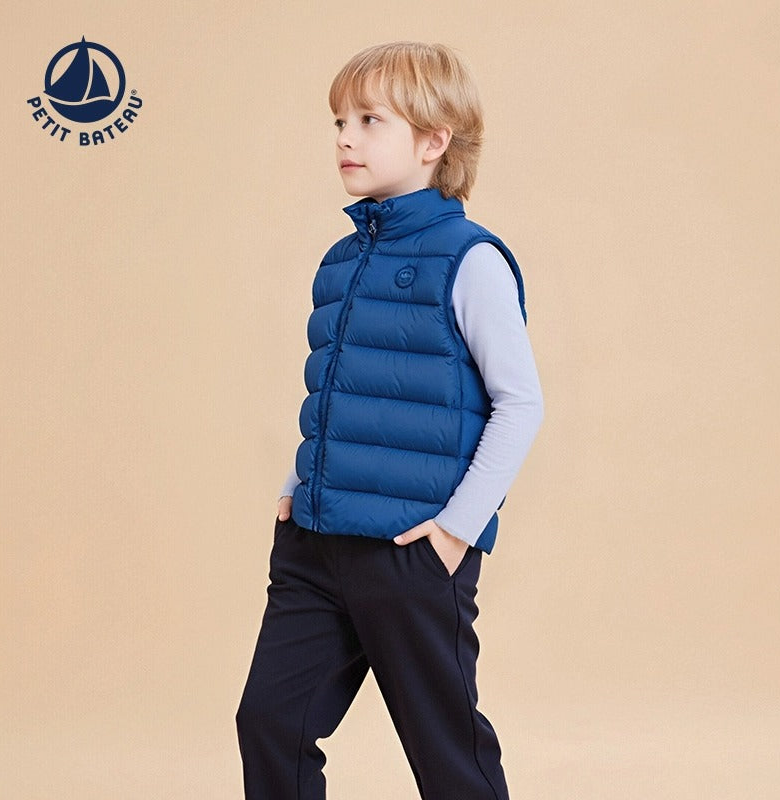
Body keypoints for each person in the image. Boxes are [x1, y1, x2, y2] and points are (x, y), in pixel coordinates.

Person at [235, 41, 544, 800]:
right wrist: (296, 487)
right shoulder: (341, 260)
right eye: (340, 121)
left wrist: (455, 533)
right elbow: (338, 392)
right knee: (269, 722)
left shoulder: (470, 259)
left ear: (434, 141)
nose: (346, 137)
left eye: (370, 120)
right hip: (315, 544)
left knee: (447, 753)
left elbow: (519, 402)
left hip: (410, 551)